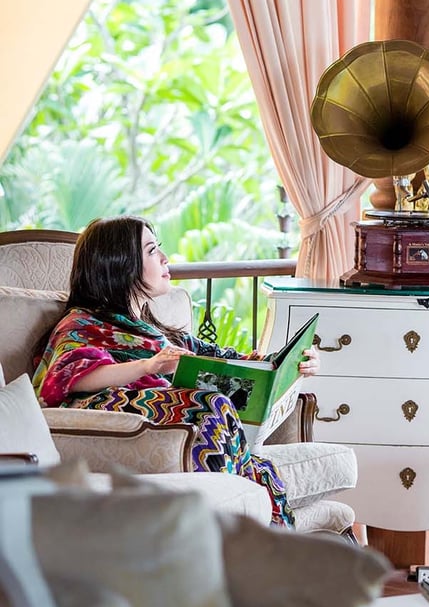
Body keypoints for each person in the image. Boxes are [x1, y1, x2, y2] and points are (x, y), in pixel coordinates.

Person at [32, 215, 320, 526]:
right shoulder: (80, 324)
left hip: (171, 429)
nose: (165, 258)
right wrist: (148, 365)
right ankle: (227, 527)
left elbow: (229, 358)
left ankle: (250, 528)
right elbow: (70, 377)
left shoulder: (161, 335)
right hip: (115, 426)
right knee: (211, 405)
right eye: (151, 250)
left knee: (233, 428)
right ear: (120, 264)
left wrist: (291, 363)